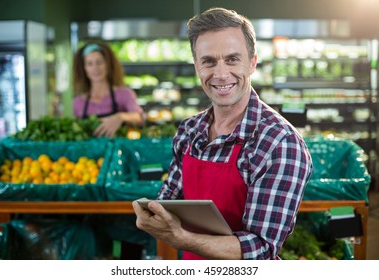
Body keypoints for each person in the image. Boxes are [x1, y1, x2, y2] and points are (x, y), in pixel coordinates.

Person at [132, 7, 313, 260]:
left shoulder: (280, 143)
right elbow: (169, 199)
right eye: (209, 61)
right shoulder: (189, 130)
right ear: (197, 67)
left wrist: (182, 238)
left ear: (252, 63)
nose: (220, 74)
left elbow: (261, 250)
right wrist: (153, 214)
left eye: (232, 59)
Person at [72, 42, 144, 137]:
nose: (95, 68)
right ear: (84, 69)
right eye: (89, 64)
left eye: (99, 62)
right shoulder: (78, 103)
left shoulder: (124, 94)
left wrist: (121, 117)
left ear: (108, 64)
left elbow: (139, 117)